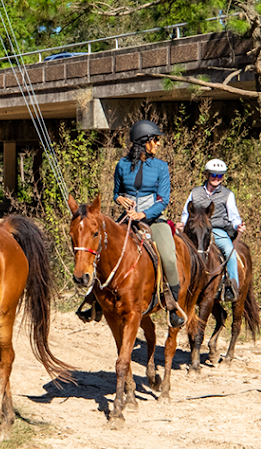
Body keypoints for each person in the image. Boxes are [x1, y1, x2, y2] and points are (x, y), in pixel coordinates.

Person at [76, 119, 185, 327]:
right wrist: (119, 199)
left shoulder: (161, 167)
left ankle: (172, 305)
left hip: (153, 219)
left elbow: (163, 199)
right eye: (155, 139)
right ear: (144, 141)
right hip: (125, 219)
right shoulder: (122, 165)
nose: (158, 143)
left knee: (170, 257)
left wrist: (143, 214)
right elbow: (116, 192)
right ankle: (94, 301)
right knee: (100, 249)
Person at [176, 159, 246, 301]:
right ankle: (176, 284)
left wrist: (238, 225)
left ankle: (231, 287)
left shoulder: (227, 194)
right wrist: (182, 224)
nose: (216, 178)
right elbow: (186, 213)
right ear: (207, 175)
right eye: (213, 175)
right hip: (195, 232)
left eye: (219, 176)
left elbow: (233, 216)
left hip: (217, 230)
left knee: (229, 253)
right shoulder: (195, 192)